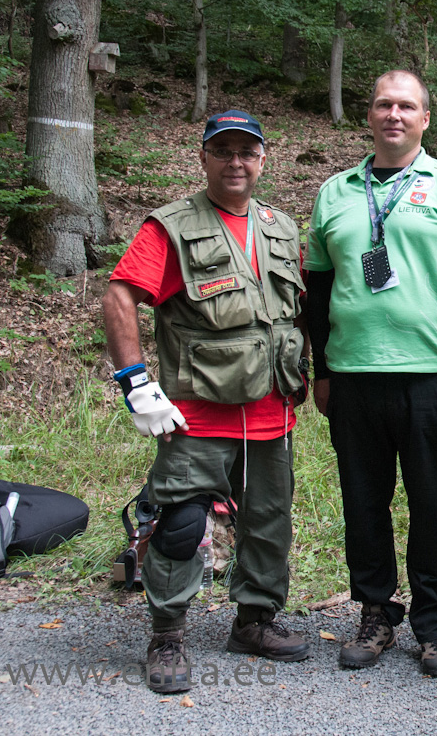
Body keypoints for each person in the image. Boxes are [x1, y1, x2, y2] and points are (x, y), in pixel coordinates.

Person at [102, 110, 311, 694]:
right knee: (180, 525)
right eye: (224, 151)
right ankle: (167, 634)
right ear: (204, 158)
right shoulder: (170, 228)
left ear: (263, 159)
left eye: (248, 151)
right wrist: (136, 383)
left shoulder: (282, 228)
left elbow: (296, 312)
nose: (236, 162)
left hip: (272, 411)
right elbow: (121, 294)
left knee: (269, 526)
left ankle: (254, 622)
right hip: (194, 416)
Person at [304, 70, 437, 677]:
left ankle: (435, 624)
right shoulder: (335, 192)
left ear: (425, 118)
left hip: (433, 378)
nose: (394, 115)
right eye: (384, 104)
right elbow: (318, 289)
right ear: (369, 114)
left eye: (406, 106)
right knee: (364, 502)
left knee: (432, 502)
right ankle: (375, 613)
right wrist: (323, 369)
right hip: (354, 376)